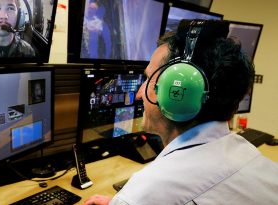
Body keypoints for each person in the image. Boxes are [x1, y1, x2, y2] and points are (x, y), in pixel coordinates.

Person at [84, 19, 278, 205]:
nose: (139, 94)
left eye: (149, 80)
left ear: (179, 94)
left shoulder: (144, 193)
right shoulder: (253, 158)